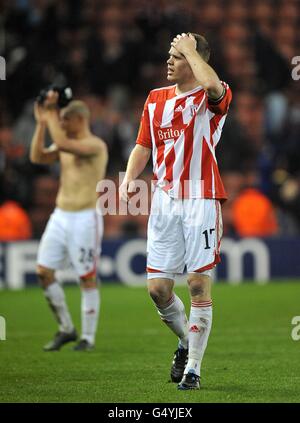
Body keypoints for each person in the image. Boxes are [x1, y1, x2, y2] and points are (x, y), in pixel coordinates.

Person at [120, 33, 232, 390]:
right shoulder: (155, 99)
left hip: (201, 197)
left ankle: (194, 370)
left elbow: (212, 83)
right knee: (158, 289)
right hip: (165, 201)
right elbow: (144, 145)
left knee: (197, 283)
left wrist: (190, 48)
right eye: (169, 54)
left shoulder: (211, 93)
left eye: (177, 55)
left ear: (195, 59)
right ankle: (185, 342)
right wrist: (128, 179)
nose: (169, 60)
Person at [30, 92, 108, 351]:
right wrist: (42, 123)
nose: (60, 124)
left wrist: (50, 110)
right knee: (43, 271)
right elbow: (37, 157)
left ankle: (88, 337)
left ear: (78, 119)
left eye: (64, 119)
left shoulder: (95, 146)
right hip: (60, 215)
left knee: (86, 276)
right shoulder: (65, 144)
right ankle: (66, 328)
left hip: (86, 218)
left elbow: (61, 142)